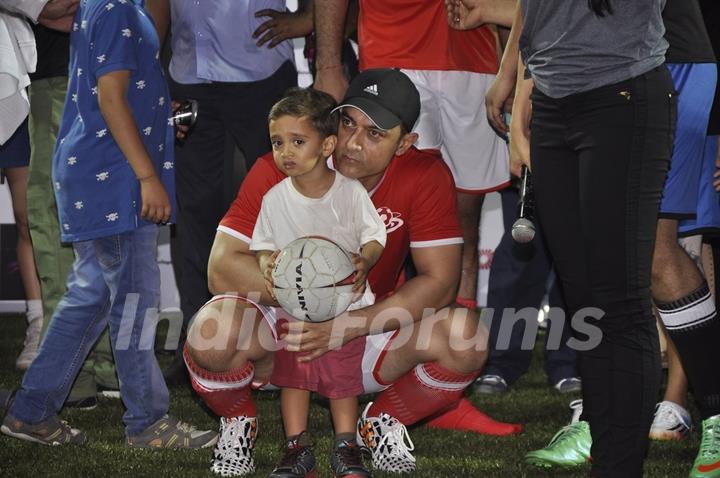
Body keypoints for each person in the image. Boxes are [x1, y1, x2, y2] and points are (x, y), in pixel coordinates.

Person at [183, 68, 521, 477]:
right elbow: (221, 268)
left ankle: (380, 420)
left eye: (375, 133)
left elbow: (440, 283)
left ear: (405, 144)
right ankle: (238, 420)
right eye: (348, 122)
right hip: (282, 332)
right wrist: (309, 297)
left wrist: (350, 323)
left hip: (364, 328)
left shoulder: (424, 174)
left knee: (466, 338)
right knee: (211, 333)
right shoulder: (287, 161)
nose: (353, 143)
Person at [468, 0, 676, 476]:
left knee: (618, 302)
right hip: (552, 99)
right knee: (585, 302)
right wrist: (517, 83)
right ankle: (608, 458)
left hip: (622, 93)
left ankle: (618, 467)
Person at [0, 0, 216, 448]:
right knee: (133, 306)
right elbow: (110, 97)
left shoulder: (103, 7)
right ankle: (147, 423)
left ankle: (30, 412)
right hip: (116, 181)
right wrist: (147, 176)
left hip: (101, 174)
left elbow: (116, 92)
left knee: (89, 300)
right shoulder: (116, 8)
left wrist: (159, 115)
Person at [147, 0, 298, 385]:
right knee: (194, 212)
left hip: (261, 74)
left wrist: (310, 19)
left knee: (285, 209)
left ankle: (289, 346)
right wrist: (151, 70)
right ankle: (199, 344)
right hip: (186, 70)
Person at [251, 87, 385, 478]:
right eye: (278, 143)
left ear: (327, 144)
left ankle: (346, 445)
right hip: (294, 307)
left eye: (297, 141)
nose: (285, 152)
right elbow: (262, 244)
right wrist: (266, 263)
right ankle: (297, 447)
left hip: (344, 308)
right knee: (295, 376)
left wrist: (367, 260)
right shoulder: (275, 198)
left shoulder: (349, 192)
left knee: (342, 380)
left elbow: (375, 235)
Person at [26, 21, 119, 409]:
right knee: (98, 221)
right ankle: (101, 366)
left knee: (61, 217)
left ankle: (78, 373)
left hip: (74, 77)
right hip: (104, 74)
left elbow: (59, 9)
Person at [0, 0, 78, 371]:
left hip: (29, 76)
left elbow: (63, 12)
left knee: (32, 212)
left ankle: (42, 323)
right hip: (19, 74)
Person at [475, 186, 579, 395]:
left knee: (574, 258)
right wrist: (518, 152)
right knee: (520, 255)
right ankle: (502, 361)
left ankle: (567, 362)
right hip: (526, 169)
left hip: (579, 165)